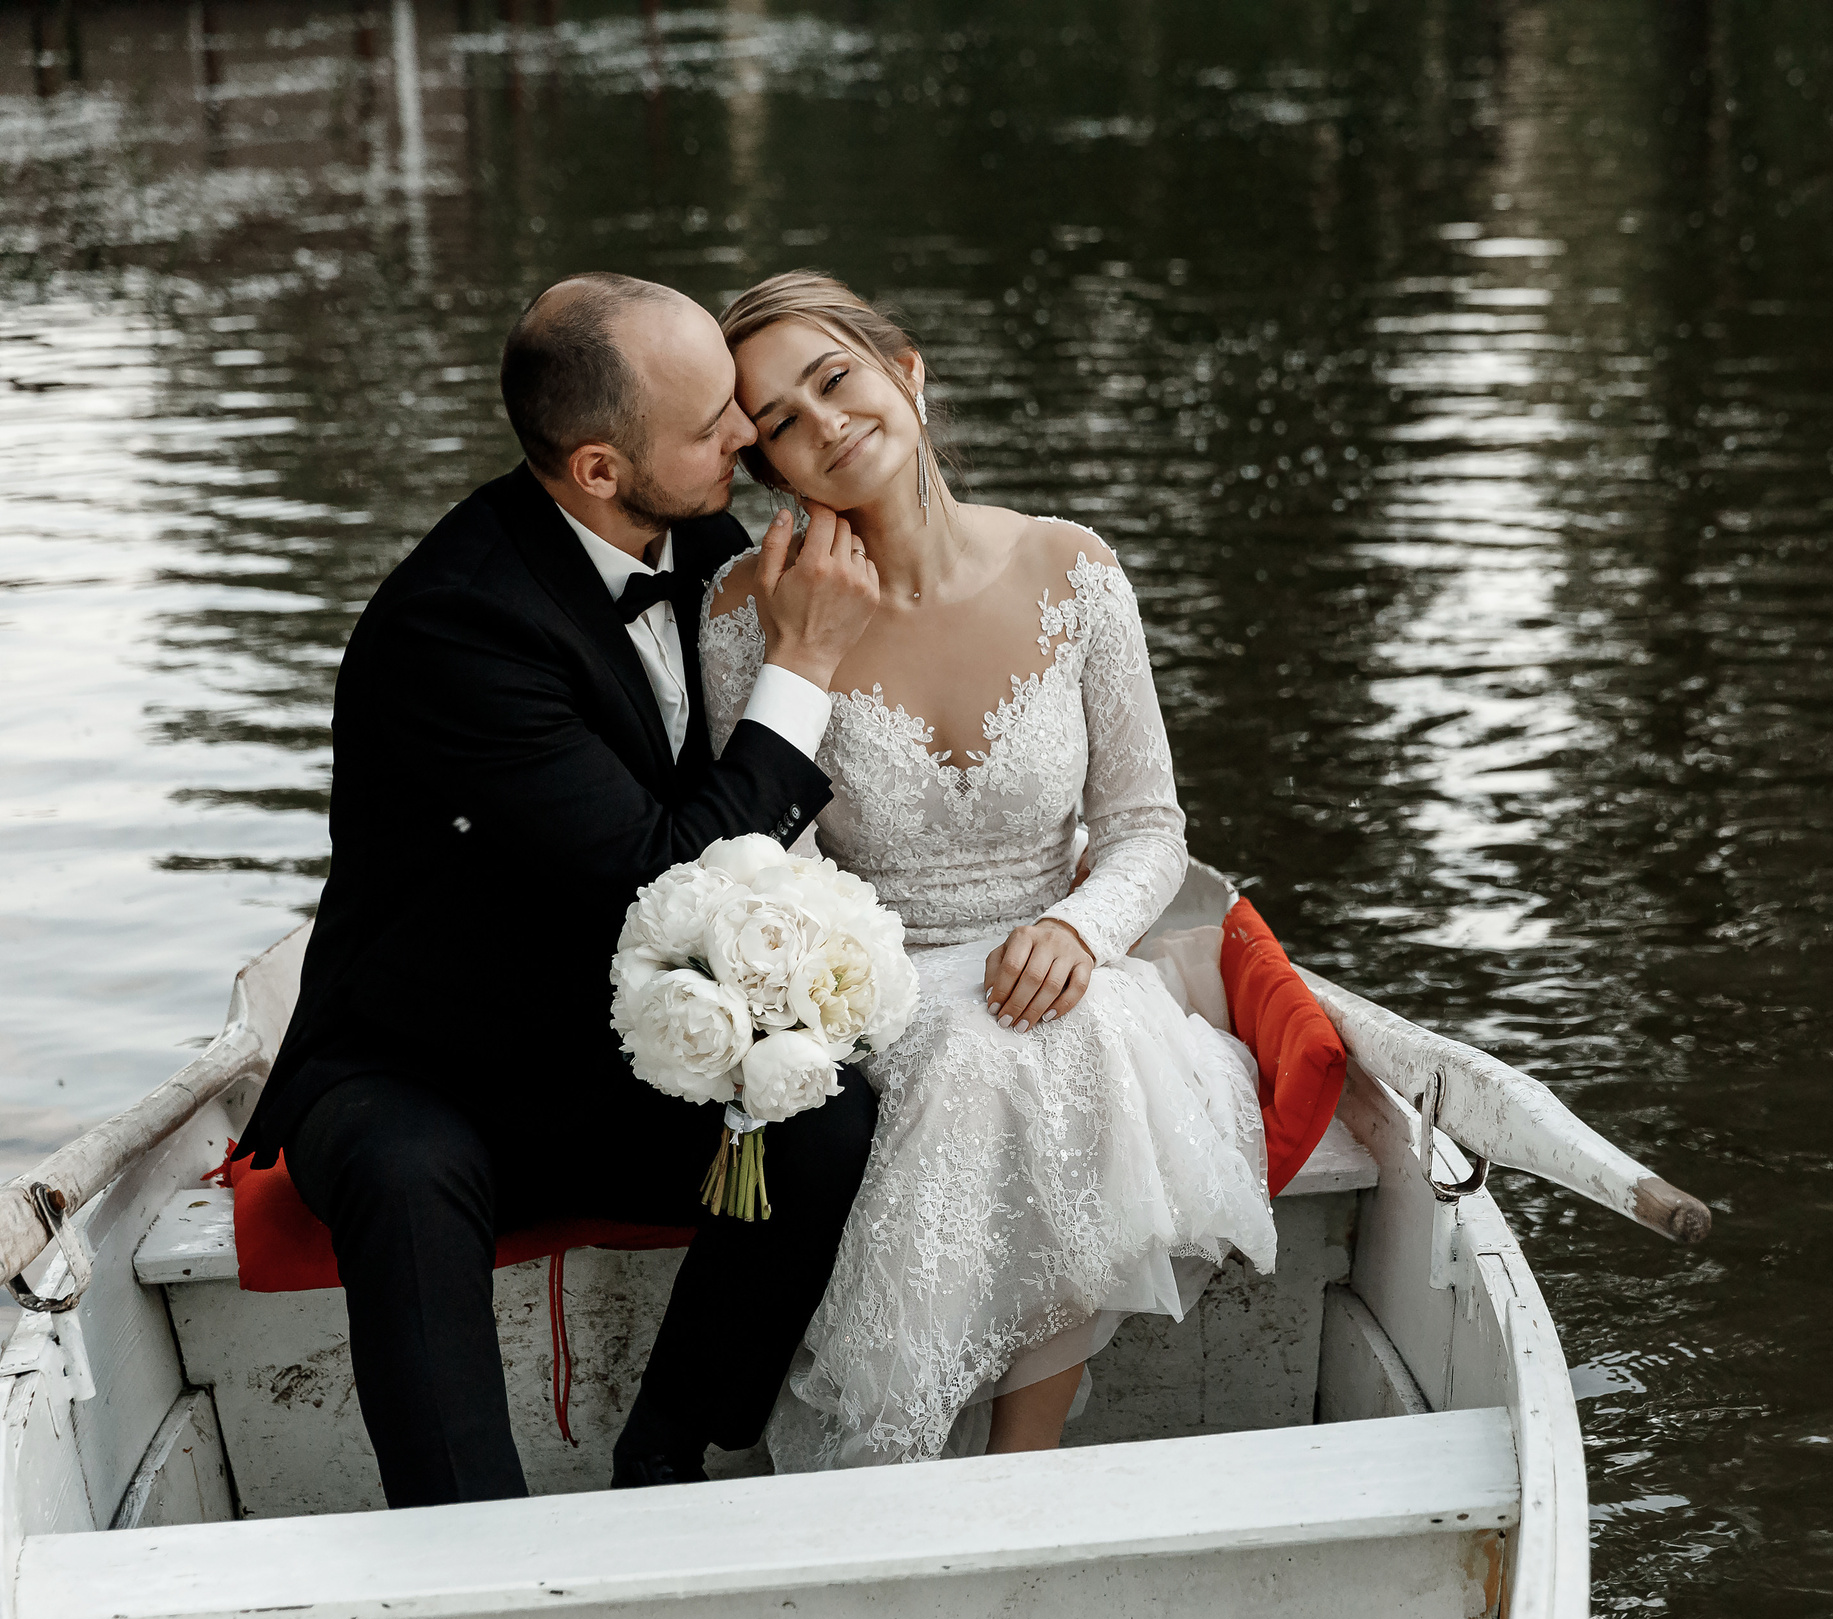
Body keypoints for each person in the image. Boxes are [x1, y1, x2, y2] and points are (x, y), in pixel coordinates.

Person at [233, 273, 885, 1505]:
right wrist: (803, 665)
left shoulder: (707, 538)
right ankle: (475, 1554)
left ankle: (675, 1447)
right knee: (407, 1179)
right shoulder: (455, 627)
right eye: (713, 427)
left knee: (826, 1120)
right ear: (597, 470)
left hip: (615, 1060)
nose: (749, 434)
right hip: (422, 1064)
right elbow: (664, 876)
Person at [700, 269, 1276, 1468]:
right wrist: (863, 983)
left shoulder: (1073, 570)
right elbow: (768, 859)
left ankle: (1022, 1468)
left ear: (904, 370)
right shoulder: (743, 615)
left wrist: (1078, 931)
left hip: (1064, 949)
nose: (824, 425)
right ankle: (889, 1453)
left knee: (1065, 1033)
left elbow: (1144, 825)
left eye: (834, 380)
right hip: (875, 978)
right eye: (782, 425)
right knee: (975, 1052)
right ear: (773, 472)